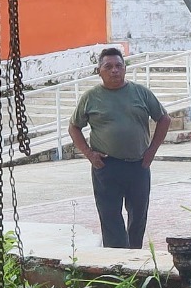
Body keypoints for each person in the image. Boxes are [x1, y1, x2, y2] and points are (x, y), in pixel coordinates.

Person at [68, 48, 171, 250]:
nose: (114, 70)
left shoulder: (140, 93)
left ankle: (134, 258)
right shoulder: (90, 97)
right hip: (106, 166)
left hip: (138, 165)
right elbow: (74, 127)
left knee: (138, 216)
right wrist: (89, 154)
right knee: (110, 217)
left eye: (118, 66)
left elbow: (164, 119)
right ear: (99, 71)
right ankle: (116, 263)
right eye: (108, 67)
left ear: (125, 69)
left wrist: (151, 151)